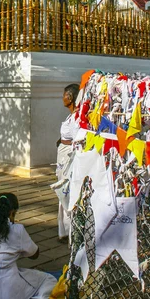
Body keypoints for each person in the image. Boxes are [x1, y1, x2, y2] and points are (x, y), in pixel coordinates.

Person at [55, 83, 80, 242]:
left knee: (65, 192)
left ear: (70, 97)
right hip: (63, 154)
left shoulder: (76, 118)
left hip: (69, 157)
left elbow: (78, 140)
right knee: (61, 191)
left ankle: (71, 230)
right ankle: (63, 230)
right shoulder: (71, 116)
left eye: (64, 95)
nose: (62, 98)